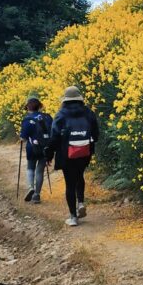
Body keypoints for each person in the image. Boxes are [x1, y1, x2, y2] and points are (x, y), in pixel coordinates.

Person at [45, 86, 100, 226]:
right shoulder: (88, 112)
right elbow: (96, 135)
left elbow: (54, 137)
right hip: (84, 152)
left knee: (70, 183)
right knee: (79, 175)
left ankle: (73, 217)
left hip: (66, 154)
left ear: (66, 99)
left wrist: (49, 154)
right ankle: (80, 202)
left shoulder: (61, 114)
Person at [19, 96, 52, 204]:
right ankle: (37, 195)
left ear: (28, 107)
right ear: (39, 106)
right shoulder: (47, 117)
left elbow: (23, 137)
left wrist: (22, 138)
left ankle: (30, 187)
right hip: (45, 148)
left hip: (32, 148)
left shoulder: (27, 119)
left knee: (30, 167)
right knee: (40, 170)